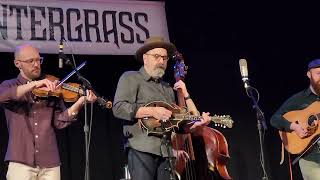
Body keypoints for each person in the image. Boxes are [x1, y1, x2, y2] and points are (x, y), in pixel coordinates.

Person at [112, 36, 210, 180]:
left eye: (165, 58)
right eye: (157, 56)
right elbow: (119, 108)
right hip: (141, 148)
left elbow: (177, 125)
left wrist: (195, 125)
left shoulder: (167, 88)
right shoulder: (131, 78)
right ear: (145, 58)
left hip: (166, 153)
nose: (161, 62)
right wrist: (152, 111)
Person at [0, 44, 97, 180]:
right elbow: (3, 96)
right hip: (21, 161)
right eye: (30, 61)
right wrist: (33, 84)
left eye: (38, 60)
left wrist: (79, 103)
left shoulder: (51, 89)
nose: (36, 64)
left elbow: (59, 122)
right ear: (18, 64)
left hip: (50, 162)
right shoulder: (9, 85)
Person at [270, 59, 320, 180]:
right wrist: (295, 127)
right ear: (309, 75)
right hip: (311, 159)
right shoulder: (299, 99)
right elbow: (275, 119)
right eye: (318, 73)